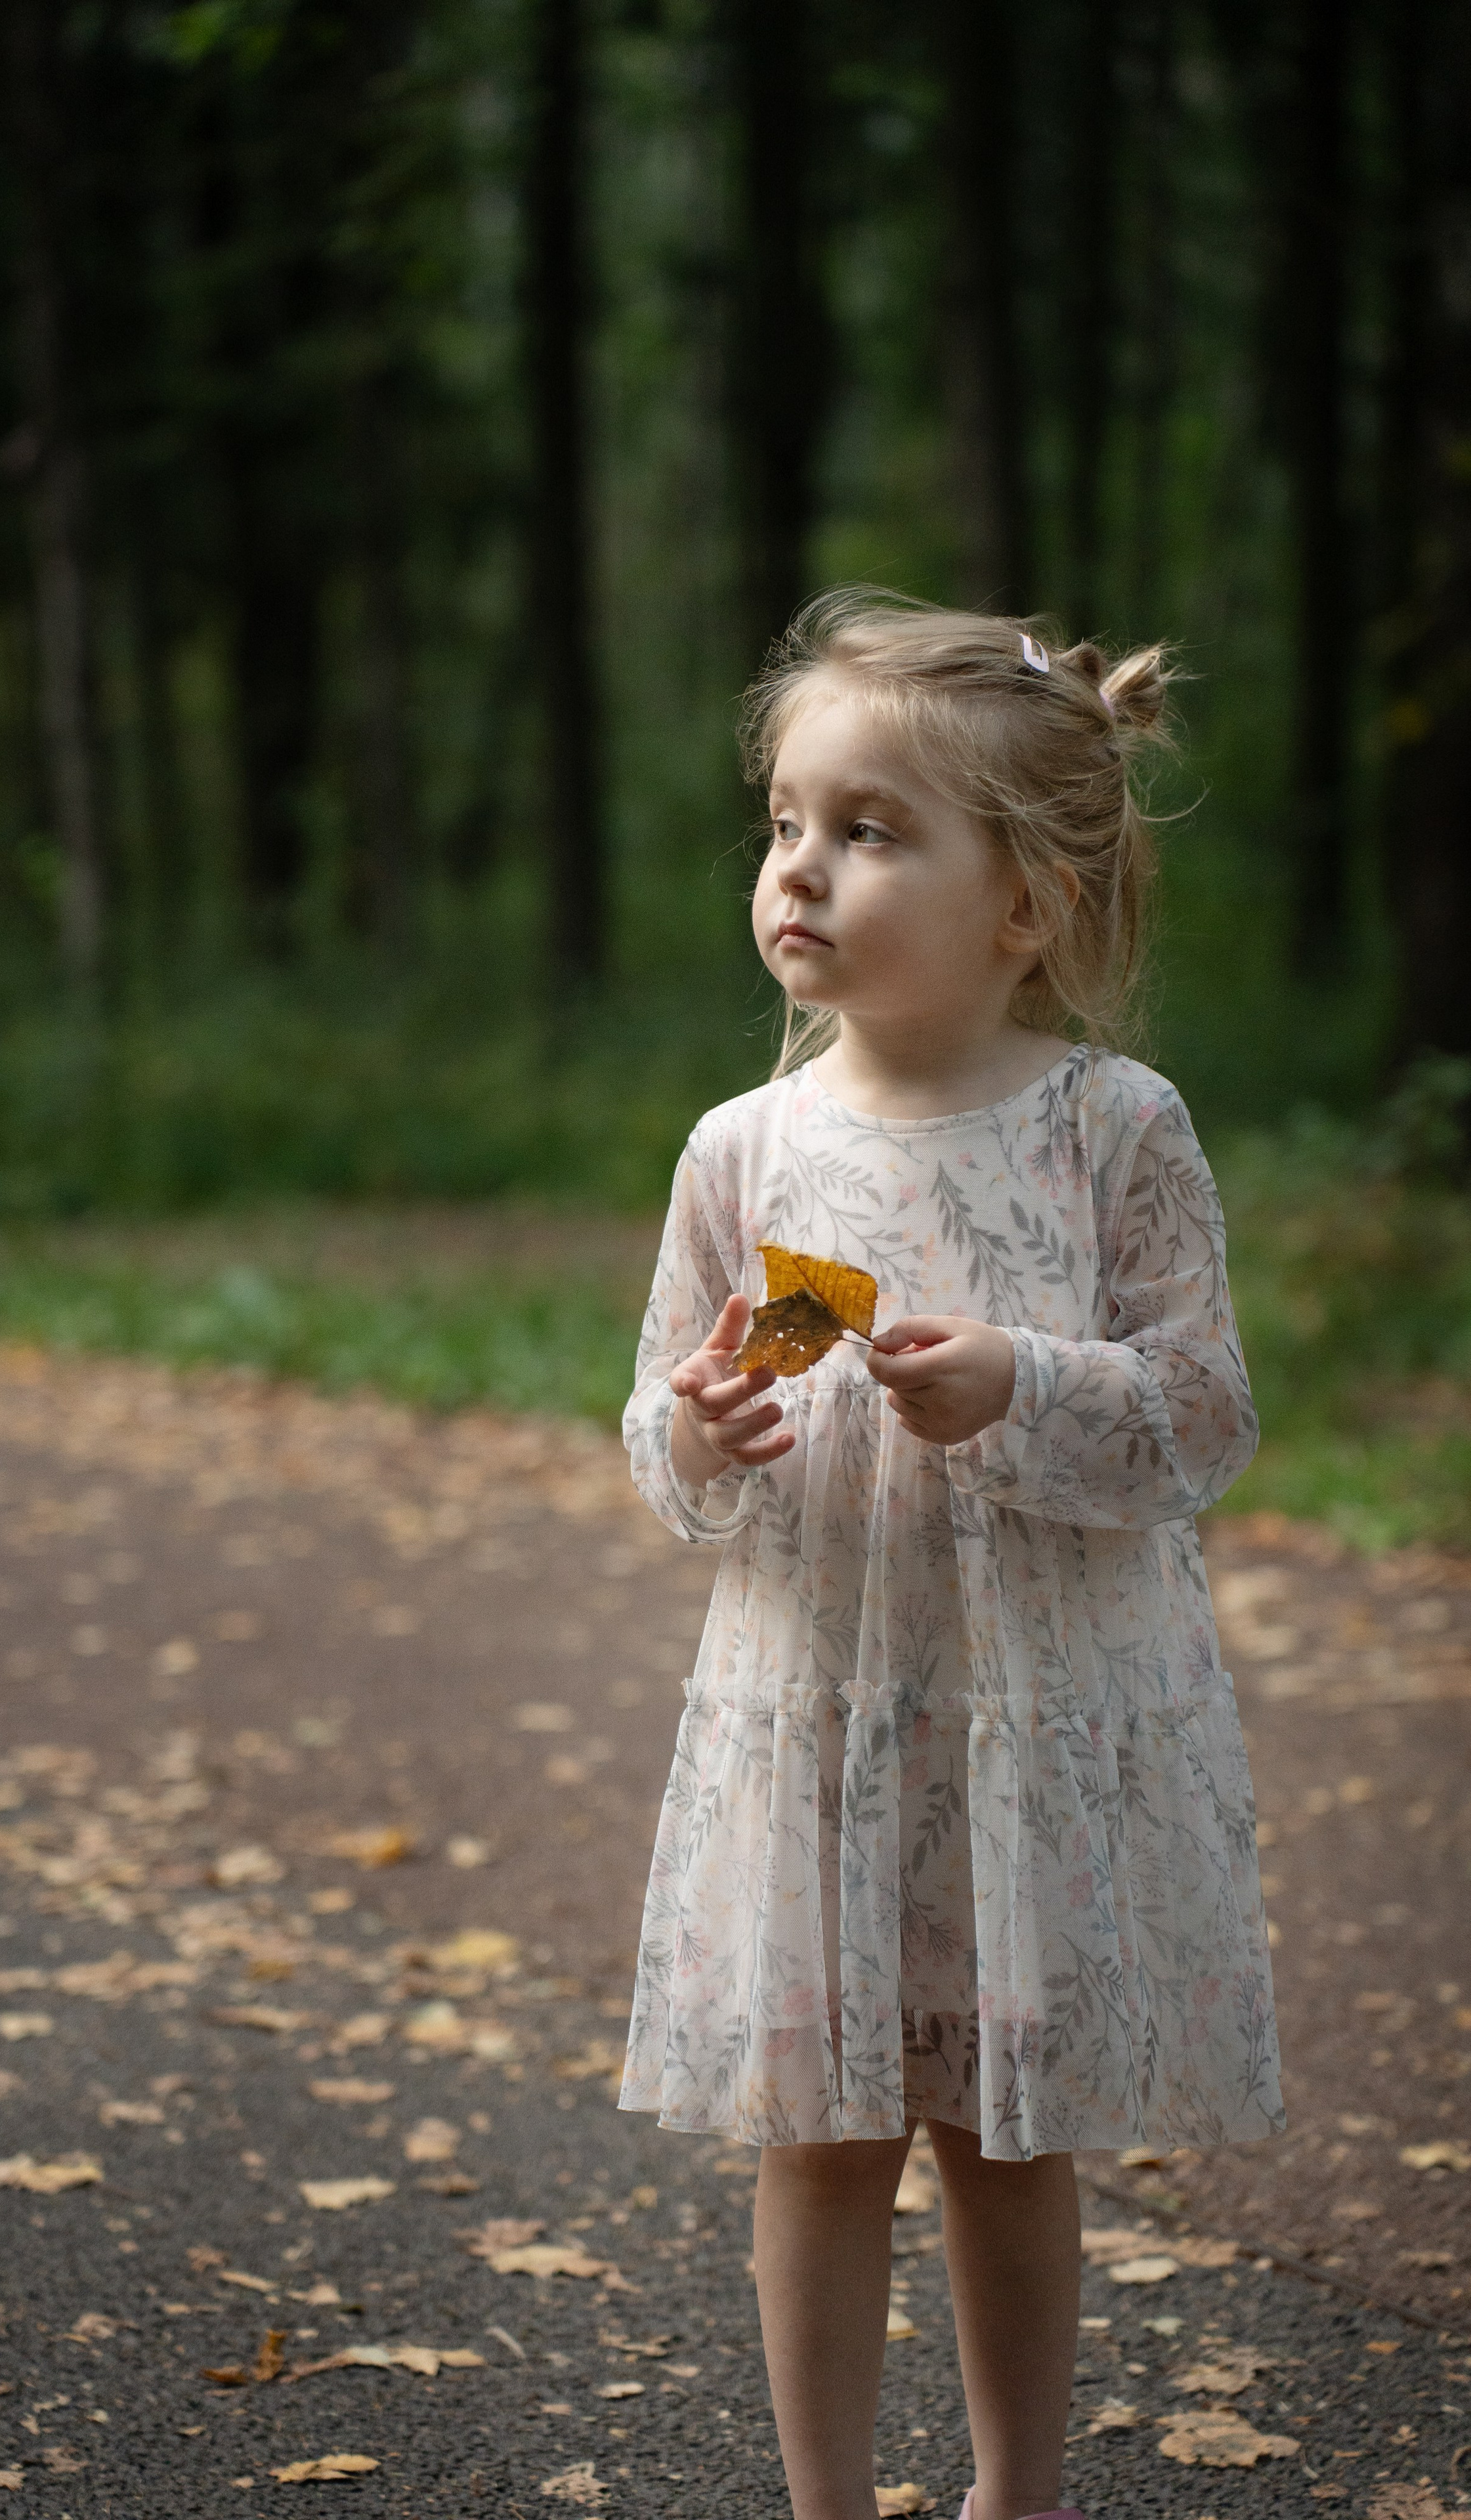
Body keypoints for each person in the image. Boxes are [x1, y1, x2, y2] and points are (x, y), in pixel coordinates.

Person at [618, 592, 1282, 2520]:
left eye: (872, 829)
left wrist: (1028, 1384)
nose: (802, 870)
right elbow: (665, 1445)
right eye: (786, 823)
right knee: (819, 2137)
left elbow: (1206, 1413)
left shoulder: (1108, 1131)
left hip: (1029, 1726)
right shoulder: (744, 1154)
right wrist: (705, 1432)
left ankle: (1020, 2493)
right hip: (824, 1717)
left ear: (1027, 905)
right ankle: (826, 2504)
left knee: (1007, 2130)